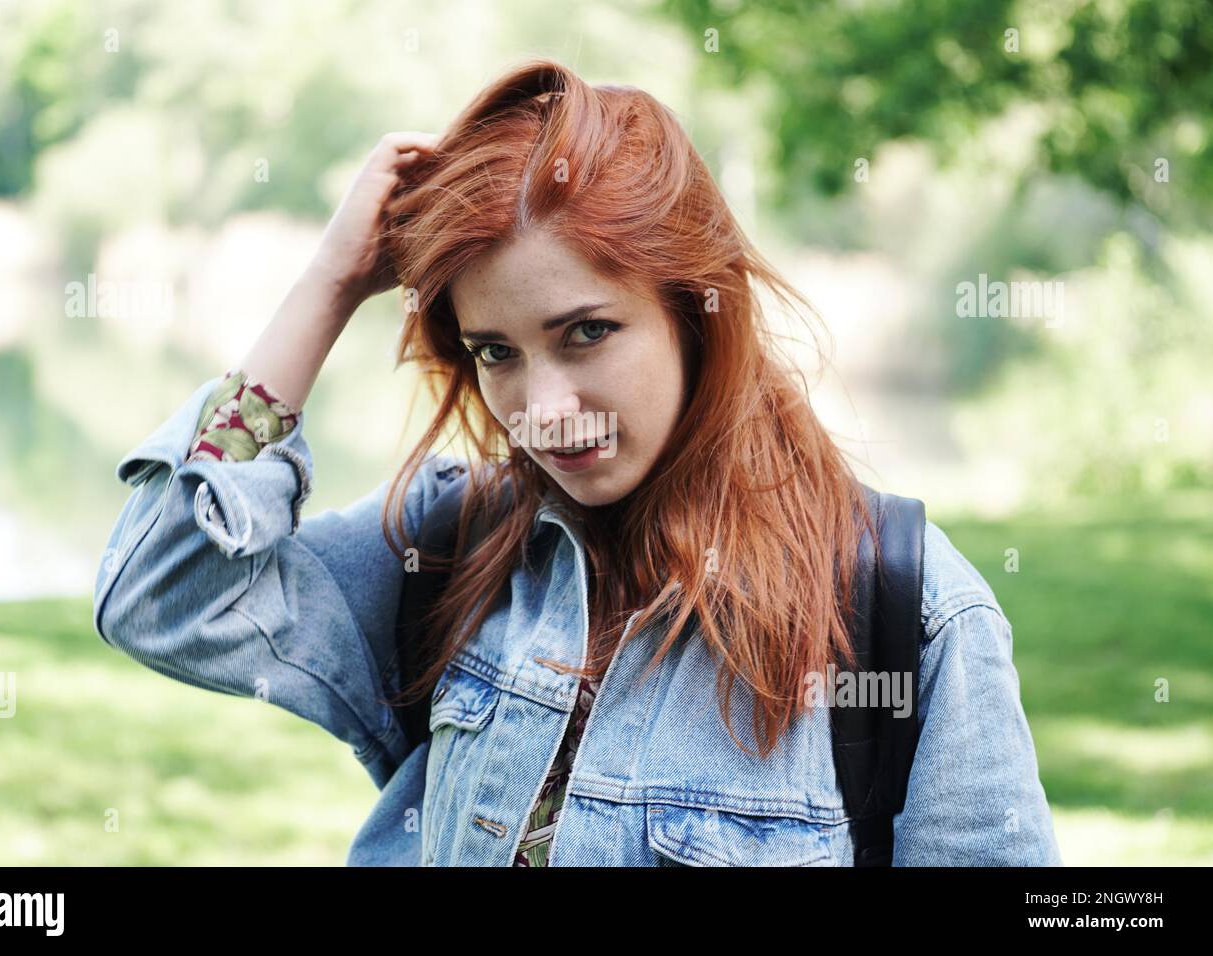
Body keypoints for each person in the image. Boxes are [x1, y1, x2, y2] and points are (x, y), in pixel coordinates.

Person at [93, 58, 1062, 867]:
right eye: (495, 352)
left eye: (588, 331)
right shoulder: (445, 547)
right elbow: (161, 599)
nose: (541, 410)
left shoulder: (902, 603)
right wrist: (327, 286)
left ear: (695, 313)